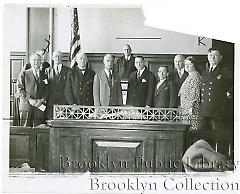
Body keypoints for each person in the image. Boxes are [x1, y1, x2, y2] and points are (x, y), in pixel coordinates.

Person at [198, 48, 233, 132]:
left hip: (218, 112)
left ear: (220, 57)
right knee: (200, 135)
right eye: (210, 55)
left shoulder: (225, 70)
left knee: (218, 137)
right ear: (207, 57)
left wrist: (230, 92)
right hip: (204, 111)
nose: (212, 58)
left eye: (215, 55)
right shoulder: (205, 73)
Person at [16, 53, 48, 127]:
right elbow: (20, 89)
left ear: (41, 62)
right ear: (30, 62)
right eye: (34, 60)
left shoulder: (44, 75)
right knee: (25, 129)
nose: (36, 62)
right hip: (27, 106)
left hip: (40, 106)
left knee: (40, 130)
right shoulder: (24, 73)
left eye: (39, 60)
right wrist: (30, 99)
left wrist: (42, 100)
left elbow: (47, 90)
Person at [45, 51, 70, 119]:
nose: (57, 58)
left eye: (59, 56)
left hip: (64, 102)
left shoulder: (68, 71)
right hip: (51, 103)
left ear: (62, 58)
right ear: (53, 58)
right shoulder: (47, 71)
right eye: (56, 56)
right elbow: (45, 87)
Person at [178, 56, 202, 130]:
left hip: (191, 110)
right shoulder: (189, 76)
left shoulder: (196, 77)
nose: (187, 66)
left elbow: (195, 95)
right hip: (185, 108)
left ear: (194, 65)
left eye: (189, 64)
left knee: (191, 130)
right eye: (185, 64)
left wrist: (191, 108)